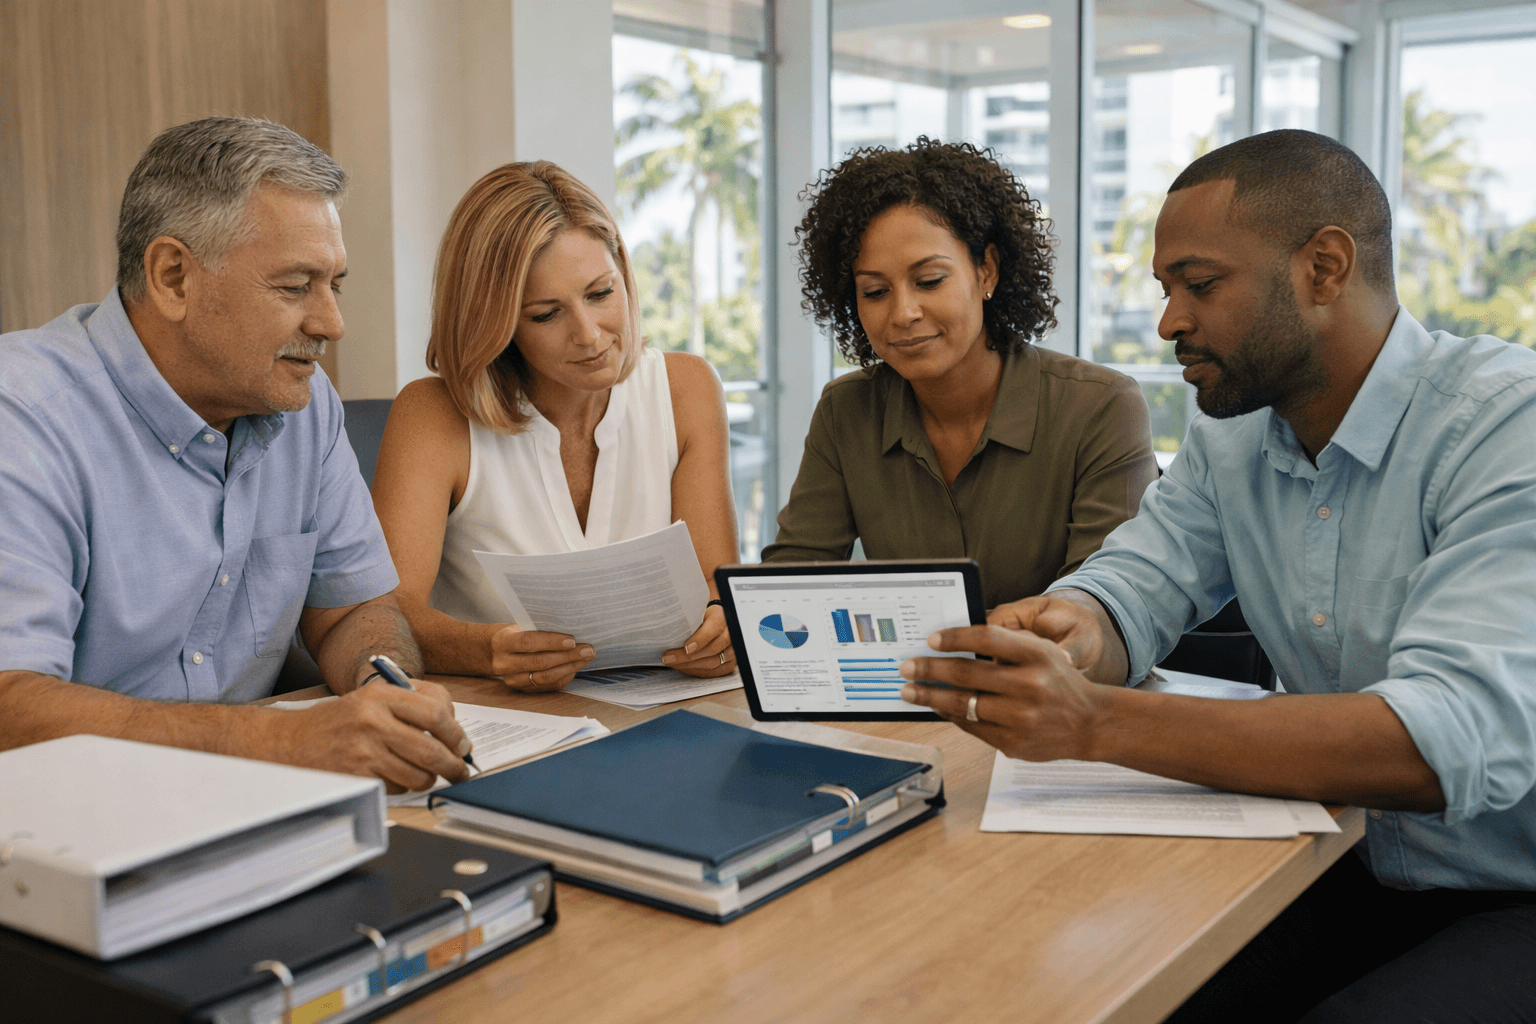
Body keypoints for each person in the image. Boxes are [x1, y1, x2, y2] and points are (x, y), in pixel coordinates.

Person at [898, 130, 1536, 1022]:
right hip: (1343, 857)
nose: (1168, 322)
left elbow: (1440, 740)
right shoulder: (1232, 439)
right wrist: (1077, 626)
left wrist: (1092, 720)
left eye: (1199, 285)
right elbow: (1136, 585)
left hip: (1512, 885)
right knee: (1101, 986)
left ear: (1323, 268)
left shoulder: (1506, 427)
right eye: (1167, 291)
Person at [0, 117, 472, 795]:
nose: (331, 324)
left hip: (251, 804)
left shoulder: (305, 408)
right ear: (172, 277)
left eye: (334, 284)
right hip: (64, 821)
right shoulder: (23, 414)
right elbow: (11, 708)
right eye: (293, 286)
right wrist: (285, 741)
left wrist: (383, 688)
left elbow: (349, 612)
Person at [371, 161, 739, 692]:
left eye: (600, 294)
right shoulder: (432, 415)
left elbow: (713, 588)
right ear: (494, 324)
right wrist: (489, 652)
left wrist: (721, 628)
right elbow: (389, 614)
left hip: (661, 708)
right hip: (503, 717)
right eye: (546, 314)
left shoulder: (687, 388)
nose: (589, 336)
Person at [762, 139, 1158, 610]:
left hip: (1055, 681)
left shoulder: (1102, 406)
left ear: (986, 272)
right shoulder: (845, 410)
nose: (903, 312)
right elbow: (792, 582)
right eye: (874, 291)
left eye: (929, 281)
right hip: (909, 681)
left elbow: (1099, 605)